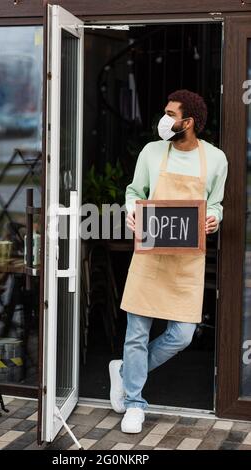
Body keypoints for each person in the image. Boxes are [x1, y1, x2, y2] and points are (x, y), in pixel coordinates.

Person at [109, 89, 228, 434]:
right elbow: (134, 192)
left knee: (182, 335)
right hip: (150, 254)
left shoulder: (216, 160)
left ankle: (126, 371)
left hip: (186, 262)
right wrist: (132, 213)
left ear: (187, 122)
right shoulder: (151, 152)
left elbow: (216, 203)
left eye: (169, 114)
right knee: (136, 334)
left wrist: (214, 218)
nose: (163, 119)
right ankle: (134, 401)